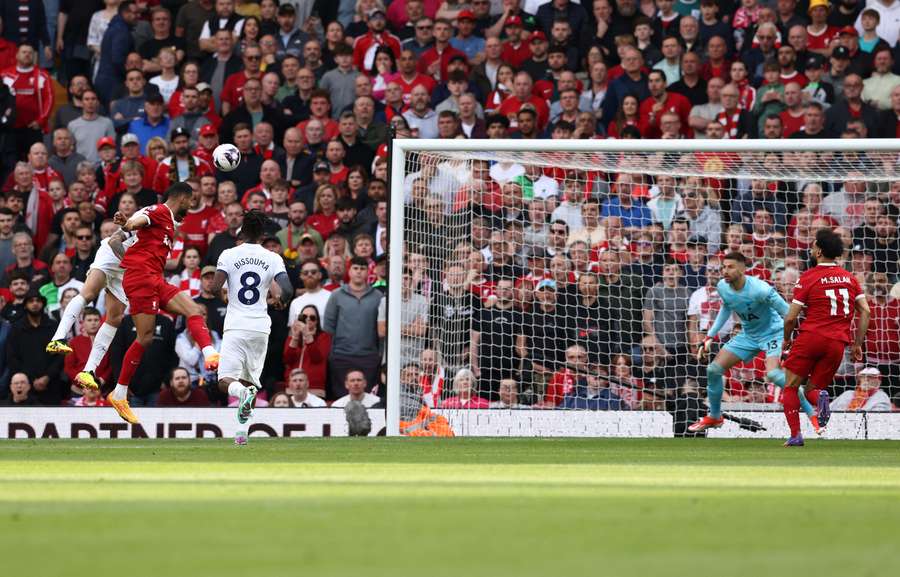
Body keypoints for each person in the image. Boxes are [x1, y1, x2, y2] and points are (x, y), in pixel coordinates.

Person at [105, 183, 219, 424]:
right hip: (141, 279)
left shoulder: (170, 222)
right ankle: (119, 393)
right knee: (145, 338)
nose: (192, 206)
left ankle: (210, 354)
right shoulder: (157, 211)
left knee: (194, 309)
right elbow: (137, 221)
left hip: (154, 278)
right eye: (191, 201)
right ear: (182, 197)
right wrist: (126, 224)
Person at [691, 251, 818, 434]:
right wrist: (710, 335)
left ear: (743, 269)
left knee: (773, 375)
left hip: (773, 332)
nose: (725, 271)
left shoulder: (761, 289)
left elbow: (788, 314)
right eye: (723, 267)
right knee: (713, 370)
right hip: (748, 334)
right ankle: (716, 416)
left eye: (730, 267)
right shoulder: (722, 287)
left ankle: (810, 411)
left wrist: (789, 339)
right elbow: (727, 306)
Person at [781, 229, 871, 447]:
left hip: (811, 337)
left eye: (813, 247)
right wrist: (857, 343)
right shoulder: (850, 278)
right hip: (837, 343)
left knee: (791, 387)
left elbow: (790, 318)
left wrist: (787, 339)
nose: (811, 250)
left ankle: (795, 435)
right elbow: (866, 311)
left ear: (819, 251)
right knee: (813, 389)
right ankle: (822, 400)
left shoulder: (808, 277)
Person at [208, 210, 292, 444]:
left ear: (242, 230)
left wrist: (225, 297)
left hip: (236, 325)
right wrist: (278, 301)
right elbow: (287, 290)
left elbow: (215, 287)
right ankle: (241, 434)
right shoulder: (273, 257)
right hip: (260, 328)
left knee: (226, 381)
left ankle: (242, 396)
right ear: (263, 234)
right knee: (250, 382)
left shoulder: (229, 254)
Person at [323, 256, 382, 399]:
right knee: (342, 400)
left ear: (368, 272)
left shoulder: (378, 296)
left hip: (369, 356)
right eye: (355, 268)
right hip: (341, 356)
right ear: (349, 271)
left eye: (362, 269)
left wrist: (377, 355)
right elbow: (328, 327)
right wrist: (333, 354)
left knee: (368, 400)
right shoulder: (336, 295)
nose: (359, 272)